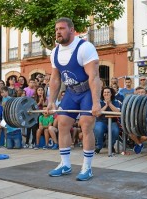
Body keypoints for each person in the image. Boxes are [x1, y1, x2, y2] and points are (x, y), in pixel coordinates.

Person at [47, 17, 101, 181]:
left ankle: (87, 167)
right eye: (56, 29)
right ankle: (65, 164)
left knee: (86, 126)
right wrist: (51, 101)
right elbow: (55, 79)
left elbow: (94, 77)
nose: (58, 32)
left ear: (71, 30)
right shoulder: (55, 52)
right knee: (62, 124)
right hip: (71, 92)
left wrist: (97, 102)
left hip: (87, 91)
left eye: (62, 28)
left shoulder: (85, 47)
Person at [94, 87, 121, 154]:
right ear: (102, 94)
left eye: (108, 92)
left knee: (115, 130)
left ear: (111, 94)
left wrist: (109, 103)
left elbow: (117, 112)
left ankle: (111, 146)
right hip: (101, 121)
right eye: (105, 92)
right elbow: (97, 114)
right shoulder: (99, 102)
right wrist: (106, 105)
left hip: (113, 122)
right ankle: (99, 146)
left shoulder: (116, 102)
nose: (106, 94)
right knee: (98, 128)